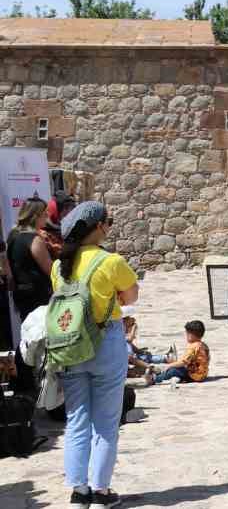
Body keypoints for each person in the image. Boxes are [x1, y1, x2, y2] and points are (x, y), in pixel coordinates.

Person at [53, 201, 138, 507]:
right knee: (105, 420)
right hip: (105, 342)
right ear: (99, 226)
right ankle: (100, 490)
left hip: (71, 345)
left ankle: (78, 491)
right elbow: (131, 295)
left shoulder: (57, 265)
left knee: (76, 419)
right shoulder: (110, 261)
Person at [7, 197, 52, 397]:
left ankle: (23, 380)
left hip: (22, 293)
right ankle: (26, 381)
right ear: (35, 215)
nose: (47, 217)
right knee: (34, 338)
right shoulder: (34, 239)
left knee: (28, 335)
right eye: (44, 214)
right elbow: (49, 269)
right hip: (37, 294)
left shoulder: (14, 236)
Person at [147, 320, 210, 387]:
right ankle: (178, 379)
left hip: (194, 375)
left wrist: (169, 365)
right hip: (203, 374)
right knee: (177, 368)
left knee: (173, 370)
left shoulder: (193, 347)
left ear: (191, 335)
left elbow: (183, 362)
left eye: (187, 334)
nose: (186, 336)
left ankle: (154, 379)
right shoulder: (203, 345)